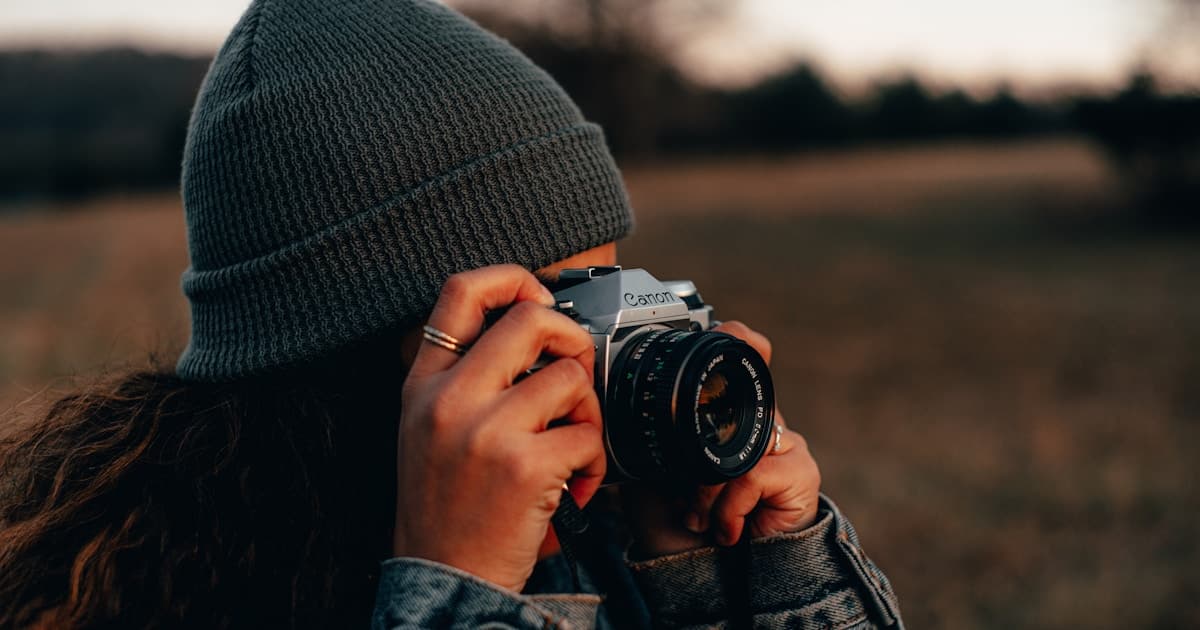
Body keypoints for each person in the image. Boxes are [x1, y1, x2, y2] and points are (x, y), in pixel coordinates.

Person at [0, 1, 903, 628]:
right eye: (545, 326)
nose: (598, 367)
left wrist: (755, 582)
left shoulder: (606, 539)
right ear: (352, 372)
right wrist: (461, 591)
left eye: (614, 301)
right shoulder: (169, 598)